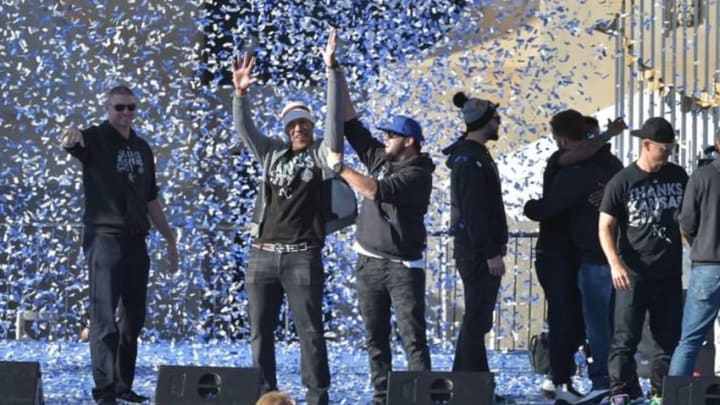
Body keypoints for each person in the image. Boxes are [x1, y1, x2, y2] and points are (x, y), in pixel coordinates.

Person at [230, 29, 345, 405]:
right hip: (261, 253)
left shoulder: (319, 156)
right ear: (285, 128)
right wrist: (240, 94)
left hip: (301, 255)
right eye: (293, 124)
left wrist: (331, 71)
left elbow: (334, 131)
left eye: (304, 124)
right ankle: (265, 394)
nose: (299, 129)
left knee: (309, 330)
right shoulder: (271, 154)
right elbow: (245, 130)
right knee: (259, 331)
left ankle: (316, 396)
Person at [61, 84, 178, 405]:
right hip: (105, 237)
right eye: (119, 108)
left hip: (136, 239)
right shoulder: (97, 138)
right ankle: (105, 390)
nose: (125, 114)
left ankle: (123, 384)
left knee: (133, 318)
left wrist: (170, 238)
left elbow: (151, 197)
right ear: (107, 108)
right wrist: (71, 138)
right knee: (104, 318)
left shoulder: (142, 147)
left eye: (130, 108)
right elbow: (75, 143)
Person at [325, 70, 434, 405]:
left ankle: (419, 396)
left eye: (392, 135)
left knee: (411, 337)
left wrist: (341, 168)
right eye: (385, 134)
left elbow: (375, 191)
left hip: (403, 267)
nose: (385, 138)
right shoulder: (381, 160)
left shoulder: (417, 173)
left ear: (409, 142)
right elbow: (352, 124)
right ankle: (381, 397)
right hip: (368, 263)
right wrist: (335, 71)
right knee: (375, 337)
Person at [524, 112, 625, 402]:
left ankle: (570, 378)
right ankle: (561, 379)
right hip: (560, 254)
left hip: (579, 255)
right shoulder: (567, 163)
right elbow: (550, 206)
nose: (591, 143)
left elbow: (548, 207)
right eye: (588, 137)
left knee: (579, 321)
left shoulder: (601, 165)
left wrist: (611, 191)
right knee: (567, 319)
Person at [599, 117, 688, 405]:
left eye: (671, 148)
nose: (668, 154)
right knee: (625, 337)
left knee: (667, 337)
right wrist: (615, 263)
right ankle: (622, 390)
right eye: (663, 148)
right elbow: (605, 226)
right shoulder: (623, 181)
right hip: (632, 271)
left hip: (668, 271)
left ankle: (660, 391)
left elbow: (690, 218)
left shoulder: (678, 175)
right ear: (647, 145)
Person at [442, 92, 509, 402]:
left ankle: (473, 387)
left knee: (477, 320)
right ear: (483, 123)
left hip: (477, 249)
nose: (499, 123)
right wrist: (490, 251)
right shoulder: (470, 160)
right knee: (476, 319)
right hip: (477, 252)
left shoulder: (475, 155)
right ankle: (469, 389)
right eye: (495, 119)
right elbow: (474, 211)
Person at [668, 128, 720, 376]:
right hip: (707, 265)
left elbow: (686, 220)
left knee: (689, 341)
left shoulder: (701, 176)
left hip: (707, 266)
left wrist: (699, 242)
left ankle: (675, 398)